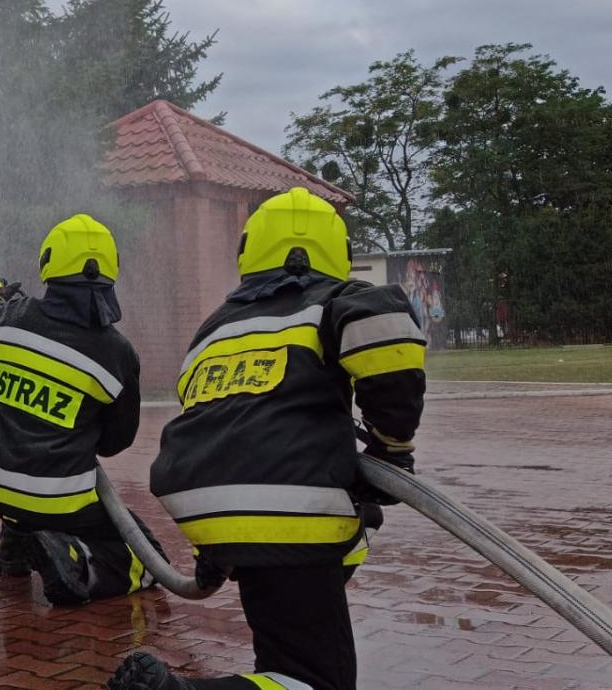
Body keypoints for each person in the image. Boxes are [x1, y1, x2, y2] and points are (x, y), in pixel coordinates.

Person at [108, 188, 425, 690]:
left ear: (249, 251)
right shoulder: (336, 300)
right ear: (338, 252)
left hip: (200, 502)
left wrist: (214, 545)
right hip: (287, 505)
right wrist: (391, 448)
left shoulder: (215, 327)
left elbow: (213, 414)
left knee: (346, 539)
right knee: (316, 681)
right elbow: (388, 333)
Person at [0, 214, 158, 605]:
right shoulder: (118, 353)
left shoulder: (13, 316)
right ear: (111, 269)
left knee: (23, 449)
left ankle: (11, 546)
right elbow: (115, 443)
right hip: (54, 499)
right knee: (147, 556)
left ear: (49, 262)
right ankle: (76, 561)